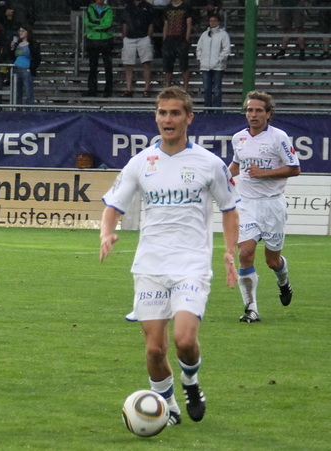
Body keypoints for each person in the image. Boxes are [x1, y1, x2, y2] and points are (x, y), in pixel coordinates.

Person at [100, 86, 239, 426]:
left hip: (191, 264)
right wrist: (106, 233)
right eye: (162, 113)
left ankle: (191, 382)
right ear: (156, 117)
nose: (168, 119)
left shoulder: (209, 163)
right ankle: (169, 406)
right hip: (150, 265)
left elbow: (230, 209)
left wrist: (229, 252)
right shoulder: (141, 162)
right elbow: (114, 205)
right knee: (155, 350)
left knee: (185, 340)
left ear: (189, 118)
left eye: (175, 113)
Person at [229, 91, 301, 323]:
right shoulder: (238, 138)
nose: (253, 114)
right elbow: (236, 165)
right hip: (246, 204)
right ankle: (251, 309)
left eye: (259, 110)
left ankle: (283, 281)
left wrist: (264, 173)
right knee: (245, 253)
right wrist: (220, 179)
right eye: (250, 110)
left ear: (268, 114)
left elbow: (294, 168)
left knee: (272, 261)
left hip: (272, 205)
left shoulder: (278, 137)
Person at [120, 0, 154, 98]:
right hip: (129, 38)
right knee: (128, 64)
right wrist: (125, 37)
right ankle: (129, 89)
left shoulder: (148, 6)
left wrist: (148, 37)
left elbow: (151, 23)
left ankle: (146, 89)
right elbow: (124, 23)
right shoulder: (128, 6)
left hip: (144, 37)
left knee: (146, 63)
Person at [196, 13, 230, 108]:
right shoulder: (204, 34)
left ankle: (217, 108)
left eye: (215, 20)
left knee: (217, 88)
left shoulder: (223, 34)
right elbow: (199, 48)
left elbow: (226, 49)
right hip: (205, 65)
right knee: (207, 88)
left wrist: (220, 59)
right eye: (211, 20)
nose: (212, 22)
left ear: (218, 22)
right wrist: (200, 59)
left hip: (218, 66)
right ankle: (207, 108)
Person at [84, 0, 113, 97]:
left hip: (106, 40)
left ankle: (108, 89)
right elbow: (87, 22)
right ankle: (92, 89)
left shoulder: (109, 9)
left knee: (108, 66)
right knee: (93, 67)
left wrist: (95, 26)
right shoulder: (90, 8)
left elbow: (108, 24)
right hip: (93, 40)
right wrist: (101, 24)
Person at [162, 0, 193, 90]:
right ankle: (167, 86)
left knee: (183, 65)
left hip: (181, 40)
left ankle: (185, 86)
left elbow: (189, 24)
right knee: (168, 65)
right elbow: (166, 25)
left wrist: (186, 39)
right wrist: (165, 39)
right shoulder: (167, 8)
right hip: (169, 40)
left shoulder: (186, 7)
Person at [11, 24, 41, 105]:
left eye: (23, 31)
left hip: (26, 69)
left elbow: (37, 58)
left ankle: (29, 109)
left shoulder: (32, 44)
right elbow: (12, 56)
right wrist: (12, 48)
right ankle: (17, 109)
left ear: (28, 32)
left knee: (28, 92)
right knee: (17, 93)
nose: (21, 33)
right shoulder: (18, 44)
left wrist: (31, 68)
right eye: (20, 31)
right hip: (16, 69)